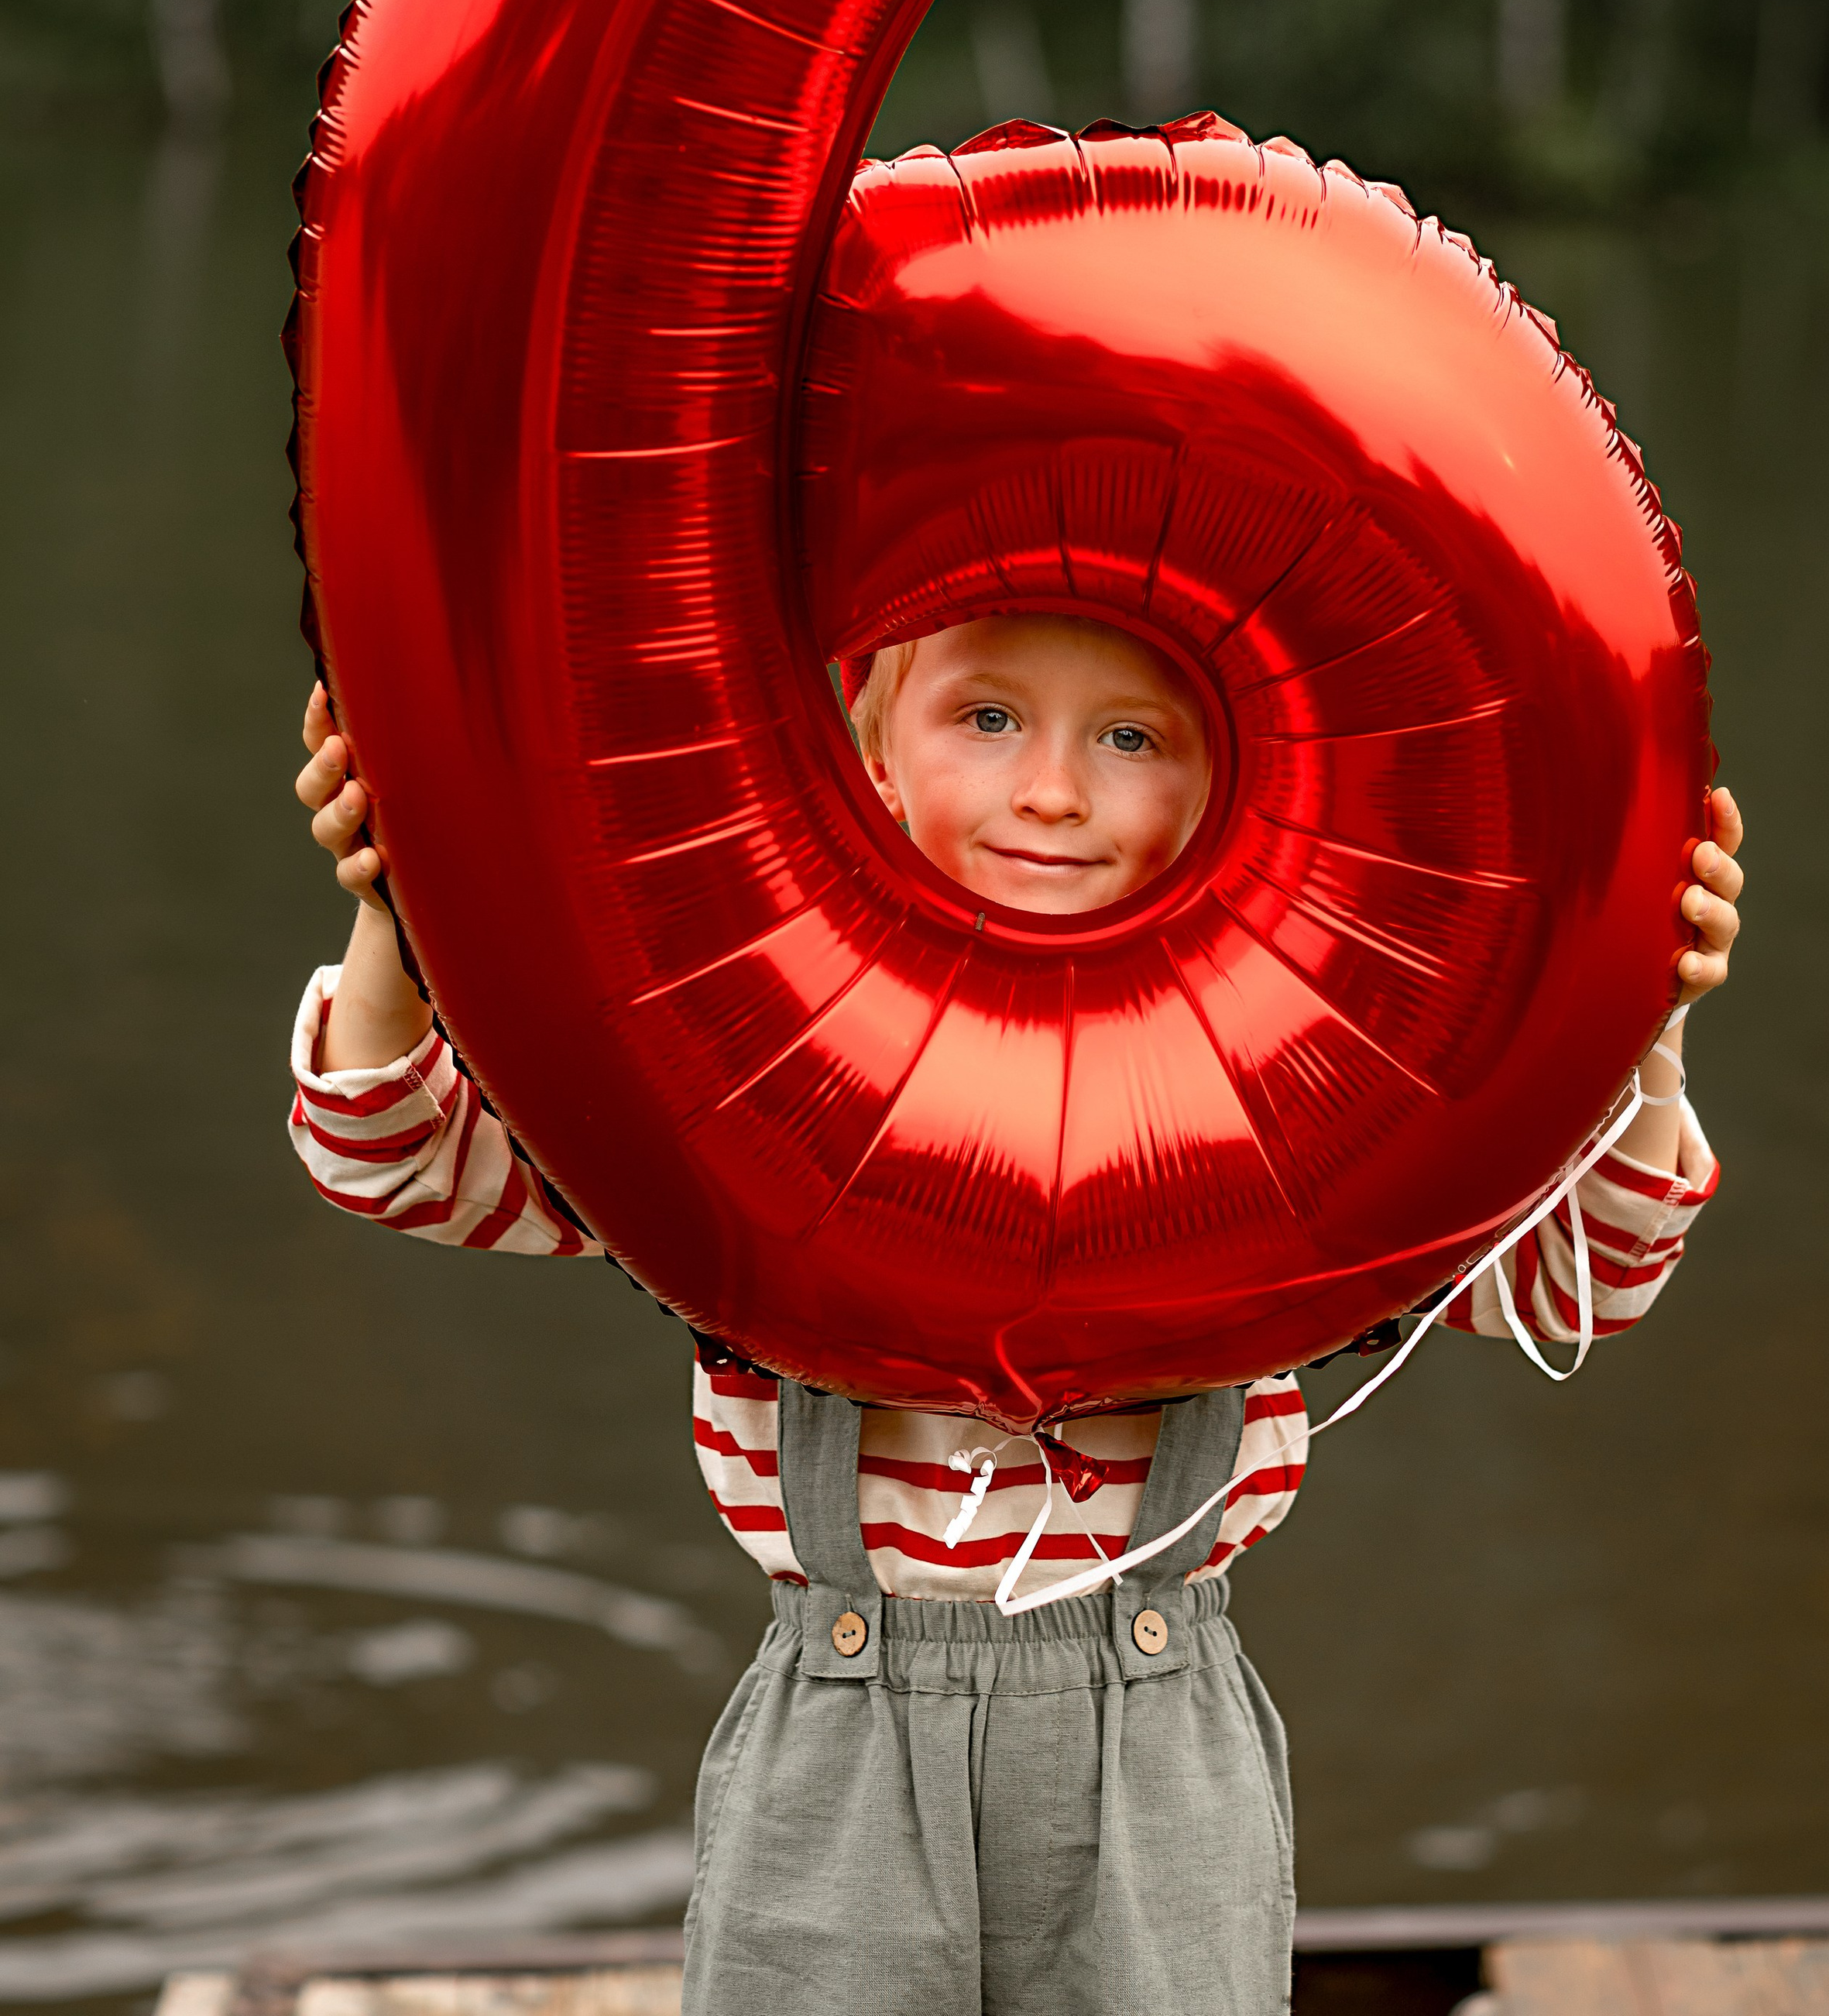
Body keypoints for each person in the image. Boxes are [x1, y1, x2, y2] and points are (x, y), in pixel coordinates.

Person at [289, 610, 1741, 2016]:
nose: (1050, 792)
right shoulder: (750, 1066)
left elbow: (1578, 1281)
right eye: (986, 719)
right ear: (871, 757)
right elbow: (396, 1159)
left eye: (1129, 737)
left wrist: (1646, 1022)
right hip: (840, 1741)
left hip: (1154, 1743)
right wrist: (394, 932)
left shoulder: (1300, 1089)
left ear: (1236, 783)